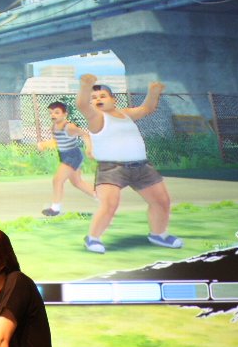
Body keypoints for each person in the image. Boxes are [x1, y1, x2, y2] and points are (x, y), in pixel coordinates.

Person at [76, 74, 182, 254]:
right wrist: (86, 86)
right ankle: (93, 238)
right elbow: (82, 105)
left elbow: (147, 108)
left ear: (113, 100)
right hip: (112, 169)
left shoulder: (125, 114)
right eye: (94, 98)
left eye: (102, 96)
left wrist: (153, 92)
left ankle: (158, 234)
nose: (98, 99)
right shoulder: (96, 117)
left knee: (161, 201)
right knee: (109, 204)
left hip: (142, 166)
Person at [37, 101, 95, 217]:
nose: (53, 115)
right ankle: (104, 198)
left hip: (72, 155)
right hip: (64, 155)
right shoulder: (53, 127)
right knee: (77, 182)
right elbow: (55, 142)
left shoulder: (69, 127)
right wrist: (44, 144)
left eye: (56, 112)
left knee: (57, 180)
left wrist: (89, 149)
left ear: (65, 114)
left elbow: (85, 135)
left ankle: (55, 209)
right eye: (51, 113)